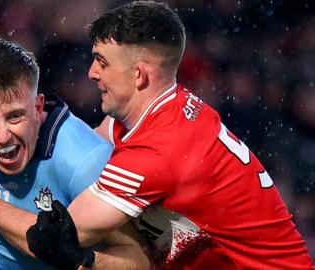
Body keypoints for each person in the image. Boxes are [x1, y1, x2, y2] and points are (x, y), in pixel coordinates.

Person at [25, 1, 314, 269]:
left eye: (102, 62)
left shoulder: (159, 151)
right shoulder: (164, 111)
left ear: (139, 75)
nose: (91, 73)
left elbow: (59, 233)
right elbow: (88, 144)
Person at [0, 38, 151, 269]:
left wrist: (80, 260)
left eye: (15, 116)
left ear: (37, 107)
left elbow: (140, 260)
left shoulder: (85, 161)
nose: (3, 136)